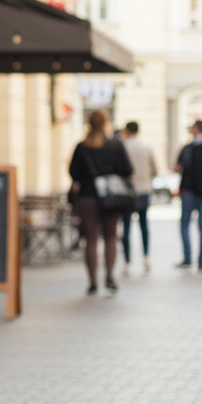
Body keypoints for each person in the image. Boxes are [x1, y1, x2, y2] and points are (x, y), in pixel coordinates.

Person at [68, 109, 134, 294]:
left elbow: (73, 173)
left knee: (90, 240)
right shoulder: (115, 145)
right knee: (111, 237)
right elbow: (127, 170)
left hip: (87, 198)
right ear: (106, 123)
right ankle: (110, 276)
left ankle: (92, 281)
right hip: (111, 199)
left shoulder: (81, 147)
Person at [119, 121, 157, 274]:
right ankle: (146, 258)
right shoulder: (147, 146)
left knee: (126, 227)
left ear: (127, 130)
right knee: (144, 226)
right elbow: (155, 170)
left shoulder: (123, 146)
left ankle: (127, 262)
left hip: (127, 191)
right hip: (144, 190)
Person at [174, 118, 202, 270]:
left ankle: (200, 260)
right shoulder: (187, 148)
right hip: (188, 191)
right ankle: (188, 258)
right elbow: (179, 166)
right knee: (185, 225)